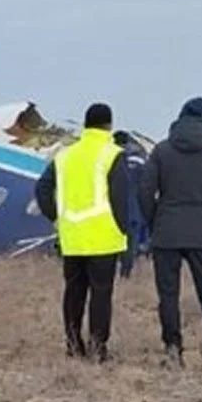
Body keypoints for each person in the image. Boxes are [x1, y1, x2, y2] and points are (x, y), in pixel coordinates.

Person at [139, 97, 202, 370]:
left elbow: (145, 191)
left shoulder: (162, 150)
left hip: (166, 232)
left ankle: (173, 352)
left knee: (168, 297)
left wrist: (154, 221)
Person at [35, 103, 128, 362]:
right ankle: (98, 348)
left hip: (72, 236)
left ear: (85, 124)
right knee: (101, 294)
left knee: (73, 292)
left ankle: (73, 346)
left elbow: (42, 189)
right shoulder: (113, 154)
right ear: (109, 125)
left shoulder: (64, 156)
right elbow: (121, 198)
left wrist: (57, 216)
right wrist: (123, 229)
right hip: (104, 237)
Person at [112, 131, 149, 279]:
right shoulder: (139, 162)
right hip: (133, 209)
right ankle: (125, 274)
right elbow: (146, 188)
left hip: (111, 209)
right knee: (130, 245)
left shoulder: (110, 159)